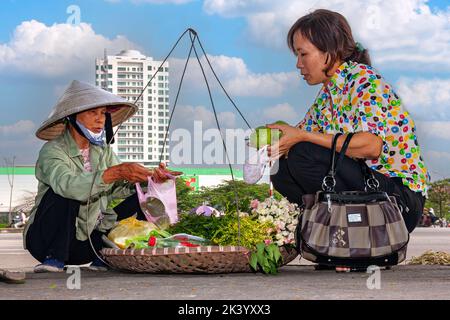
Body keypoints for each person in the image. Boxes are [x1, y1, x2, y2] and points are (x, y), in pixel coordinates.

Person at [267, 9, 429, 270]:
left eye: (303, 53)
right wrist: (275, 141)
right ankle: (340, 243)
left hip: (396, 203)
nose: (298, 64)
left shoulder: (365, 82)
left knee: (303, 153)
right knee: (282, 167)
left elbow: (371, 145)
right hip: (367, 191)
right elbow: (297, 137)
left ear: (329, 50)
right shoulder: (327, 96)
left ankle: (362, 247)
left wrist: (303, 136)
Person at [24, 80, 182, 273]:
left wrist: (150, 180)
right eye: (93, 113)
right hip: (46, 240)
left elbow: (120, 187)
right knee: (67, 192)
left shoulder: (103, 152)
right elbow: (67, 185)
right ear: (71, 117)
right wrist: (115, 173)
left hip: (87, 244)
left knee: (144, 199)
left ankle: (103, 257)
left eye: (103, 114)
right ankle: (55, 258)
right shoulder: (53, 151)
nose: (100, 120)